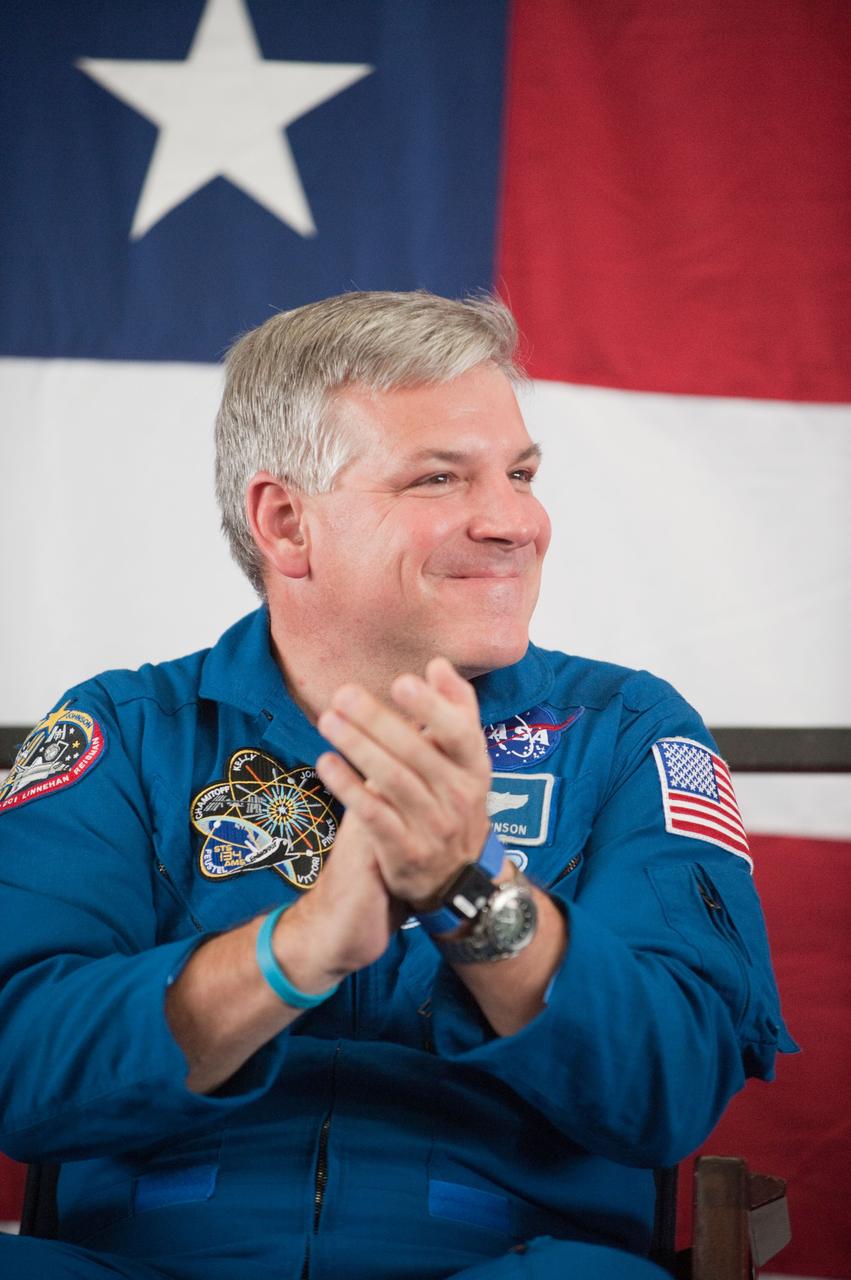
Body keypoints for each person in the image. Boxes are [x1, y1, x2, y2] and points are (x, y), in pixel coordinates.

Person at [0, 291, 794, 1279]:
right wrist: (295, 951)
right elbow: (18, 1066)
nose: (514, 522)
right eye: (438, 478)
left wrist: (467, 894)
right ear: (285, 522)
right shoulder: (126, 730)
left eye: (518, 472)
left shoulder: (626, 732)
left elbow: (668, 1084)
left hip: (501, 1258)